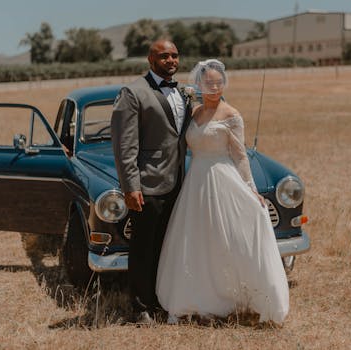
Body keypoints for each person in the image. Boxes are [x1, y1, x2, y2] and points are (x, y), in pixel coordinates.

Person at [156, 59, 289, 325]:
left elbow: (240, 156)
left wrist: (252, 190)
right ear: (199, 85)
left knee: (227, 235)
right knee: (198, 238)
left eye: (219, 83)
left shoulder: (231, 114)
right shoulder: (194, 114)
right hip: (196, 182)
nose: (214, 87)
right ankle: (197, 295)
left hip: (222, 177)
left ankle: (239, 295)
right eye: (209, 83)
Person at [111, 39, 193, 323]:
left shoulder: (183, 92)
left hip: (179, 182)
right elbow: (125, 146)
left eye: (174, 55)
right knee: (143, 248)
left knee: (167, 246)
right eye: (163, 56)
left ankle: (162, 301)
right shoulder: (133, 93)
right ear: (150, 59)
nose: (170, 60)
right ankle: (140, 308)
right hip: (147, 184)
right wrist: (131, 186)